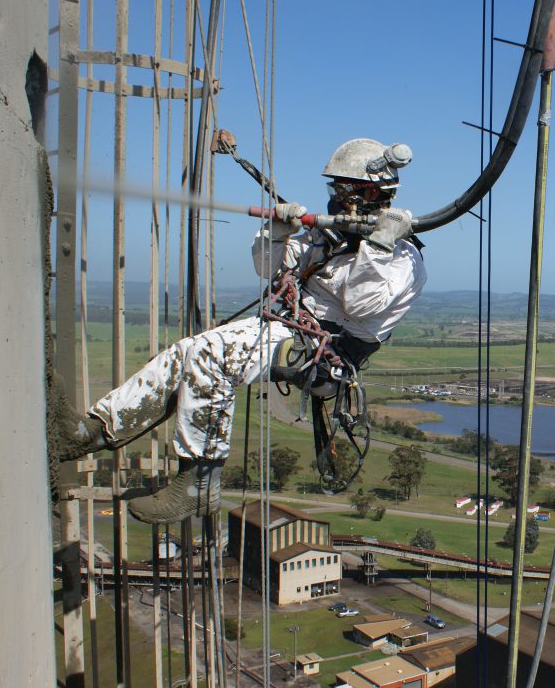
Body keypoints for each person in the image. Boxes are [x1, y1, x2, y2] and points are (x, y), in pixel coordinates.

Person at [55, 138, 427, 524]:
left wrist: (379, 243)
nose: (334, 198)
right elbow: (267, 266)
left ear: (367, 193)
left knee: (213, 357)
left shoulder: (403, 258)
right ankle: (92, 431)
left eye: (342, 190)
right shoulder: (330, 239)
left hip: (326, 356)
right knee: (187, 351)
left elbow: (363, 304)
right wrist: (278, 231)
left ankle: (199, 487)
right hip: (290, 330)